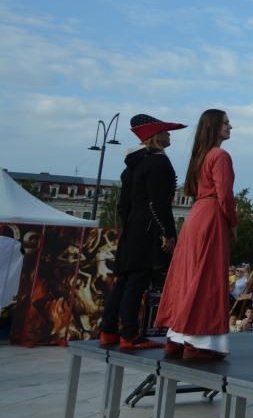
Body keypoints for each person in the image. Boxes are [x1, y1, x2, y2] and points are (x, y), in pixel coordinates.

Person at [99, 114, 186, 351]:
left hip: (131, 227)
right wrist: (168, 233)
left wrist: (129, 225)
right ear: (156, 136)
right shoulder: (159, 163)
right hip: (148, 228)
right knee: (138, 281)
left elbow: (123, 205)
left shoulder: (133, 165)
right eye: (166, 132)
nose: (169, 135)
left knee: (124, 280)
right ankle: (129, 334)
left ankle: (108, 330)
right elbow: (158, 203)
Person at [156, 110, 238, 360]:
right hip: (212, 215)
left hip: (195, 216)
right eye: (225, 123)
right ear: (214, 127)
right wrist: (233, 222)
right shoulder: (220, 155)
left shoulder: (199, 157)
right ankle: (197, 343)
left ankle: (175, 338)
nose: (230, 126)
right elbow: (225, 194)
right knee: (207, 277)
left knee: (187, 275)